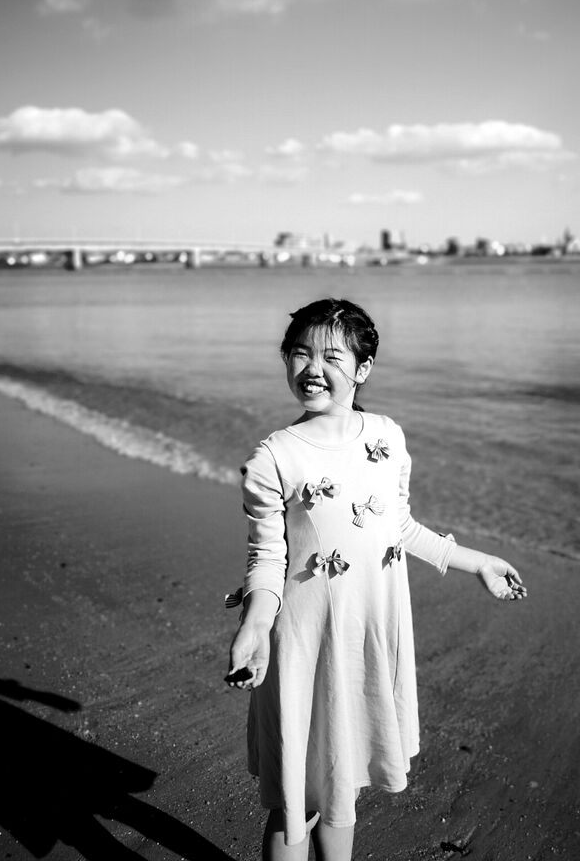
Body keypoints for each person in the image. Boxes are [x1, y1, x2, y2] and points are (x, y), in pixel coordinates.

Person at [227, 298, 526, 861]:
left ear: (363, 368)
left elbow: (400, 526)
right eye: (300, 353)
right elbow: (266, 558)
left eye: (332, 357)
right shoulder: (273, 458)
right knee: (298, 801)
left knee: (343, 788)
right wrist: (255, 626)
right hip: (304, 643)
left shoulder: (387, 437)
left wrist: (478, 561)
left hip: (365, 635)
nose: (313, 368)